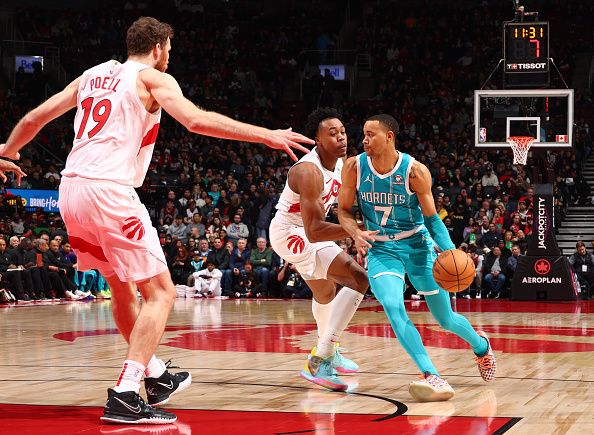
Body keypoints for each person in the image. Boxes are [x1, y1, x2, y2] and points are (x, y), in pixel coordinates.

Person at [0, 16, 312, 425]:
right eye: (170, 50)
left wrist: (5, 151)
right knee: (161, 293)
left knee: (120, 286)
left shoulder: (92, 75)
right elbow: (196, 121)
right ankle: (127, 393)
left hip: (71, 190)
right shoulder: (151, 78)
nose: (170, 56)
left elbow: (34, 120)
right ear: (160, 47)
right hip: (109, 190)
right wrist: (266, 135)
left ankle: (155, 375)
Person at [337, 114, 496, 403]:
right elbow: (343, 211)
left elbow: (433, 219)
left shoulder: (415, 171)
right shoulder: (354, 167)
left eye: (370, 134)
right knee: (393, 306)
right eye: (363, 134)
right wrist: (354, 232)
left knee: (445, 319)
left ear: (389, 137)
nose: (364, 140)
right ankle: (431, 374)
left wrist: (449, 251)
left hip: (418, 246)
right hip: (382, 250)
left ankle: (481, 346)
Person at [270, 108, 372, 392]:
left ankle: (328, 350)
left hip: (308, 231)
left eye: (342, 132)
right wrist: (354, 230)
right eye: (332, 133)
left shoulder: (341, 163)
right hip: (292, 233)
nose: (341, 138)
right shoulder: (308, 171)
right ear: (316, 139)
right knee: (358, 278)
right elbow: (314, 230)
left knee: (326, 293)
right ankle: (320, 359)